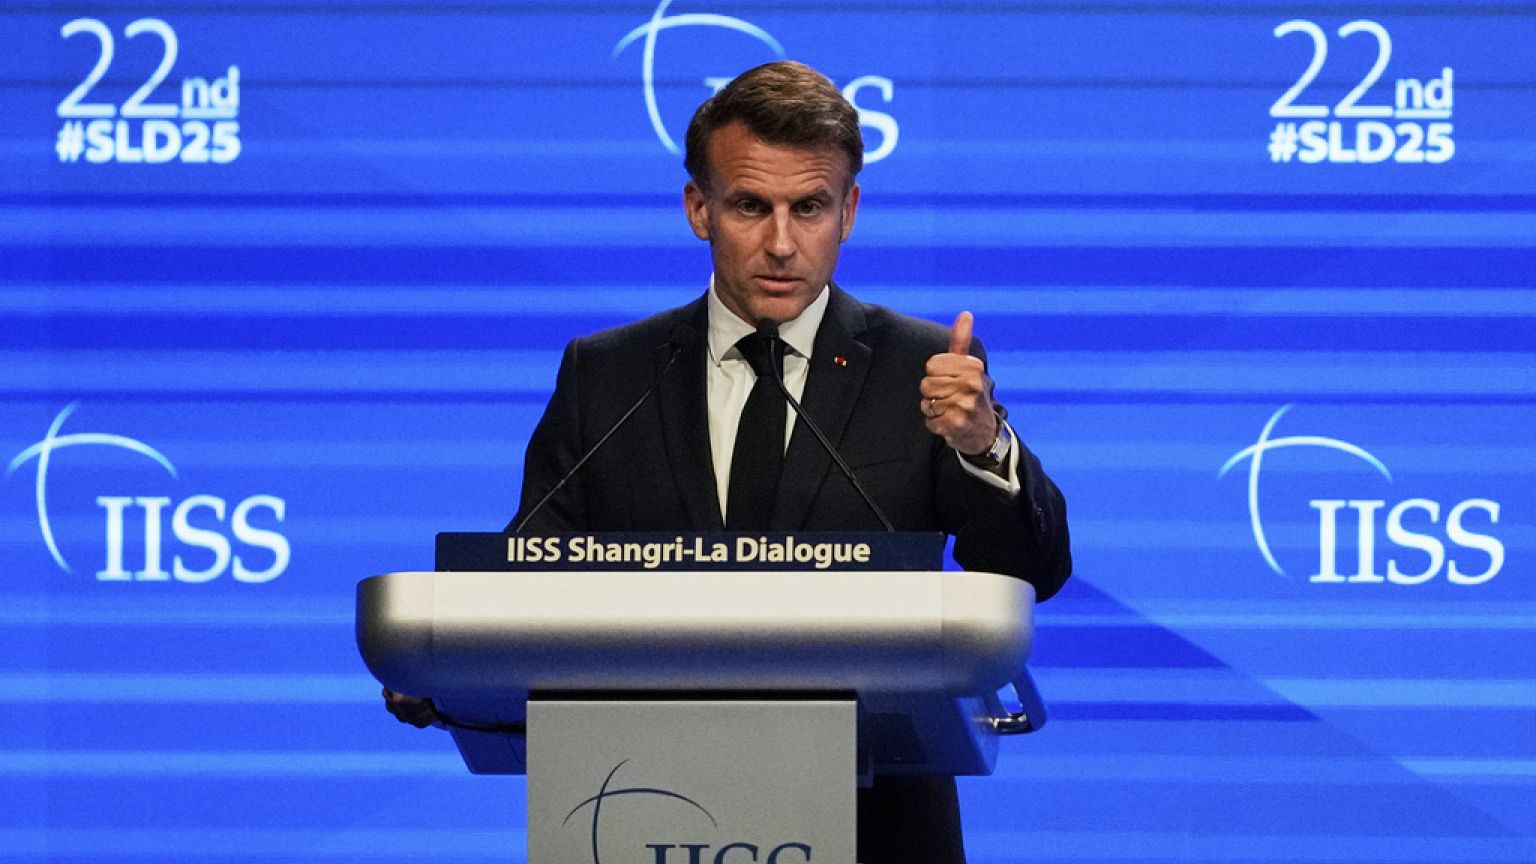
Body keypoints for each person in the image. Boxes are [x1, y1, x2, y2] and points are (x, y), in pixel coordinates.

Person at [384, 59, 1071, 864]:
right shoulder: (607, 374)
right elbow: (532, 572)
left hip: (879, 830)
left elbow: (1034, 567)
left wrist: (982, 444)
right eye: (751, 206)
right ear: (698, 209)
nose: (782, 243)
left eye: (809, 207)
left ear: (848, 211)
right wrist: (440, 654)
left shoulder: (921, 368)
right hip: (640, 810)